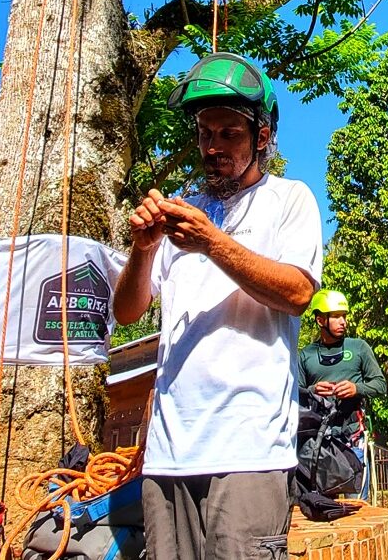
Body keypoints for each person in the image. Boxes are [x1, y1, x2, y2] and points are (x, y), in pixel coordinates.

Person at [113, 52, 323, 559]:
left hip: (248, 450)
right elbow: (127, 312)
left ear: (263, 135)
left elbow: (297, 294)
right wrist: (142, 251)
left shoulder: (290, 199)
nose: (213, 147)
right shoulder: (185, 211)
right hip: (167, 457)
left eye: (229, 134)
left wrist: (212, 243)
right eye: (206, 134)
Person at [298, 289, 387, 500]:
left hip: (352, 438)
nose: (343, 321)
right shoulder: (306, 355)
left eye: (344, 316)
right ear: (320, 320)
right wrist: (313, 390)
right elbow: (295, 393)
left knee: (356, 504)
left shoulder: (359, 348)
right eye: (336, 316)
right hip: (319, 443)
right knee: (321, 504)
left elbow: (380, 384)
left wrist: (357, 389)